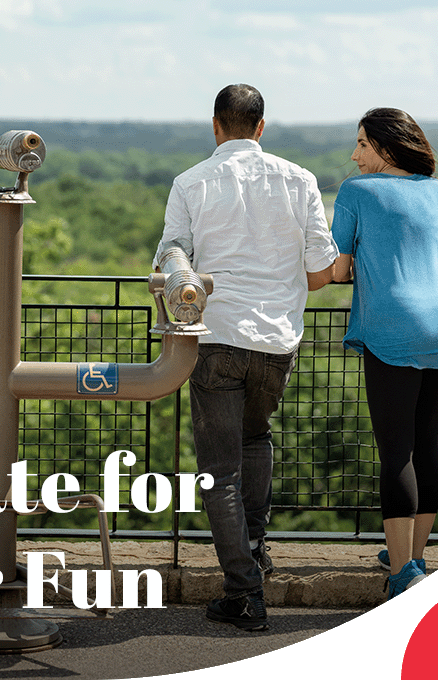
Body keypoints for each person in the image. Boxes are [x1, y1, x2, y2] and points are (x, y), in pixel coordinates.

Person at [158, 84, 338, 631]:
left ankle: (244, 591)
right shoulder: (301, 179)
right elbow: (319, 270)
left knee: (219, 468)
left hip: (216, 334)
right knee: (256, 439)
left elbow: (172, 252)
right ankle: (255, 551)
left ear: (216, 125)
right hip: (277, 340)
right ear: (261, 127)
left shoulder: (190, 182)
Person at [329, 107, 438, 600]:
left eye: (363, 144)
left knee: (396, 451)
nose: (355, 154)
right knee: (426, 441)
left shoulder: (356, 191)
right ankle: (411, 553)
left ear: (386, 148)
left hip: (395, 326)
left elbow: (338, 270)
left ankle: (403, 573)